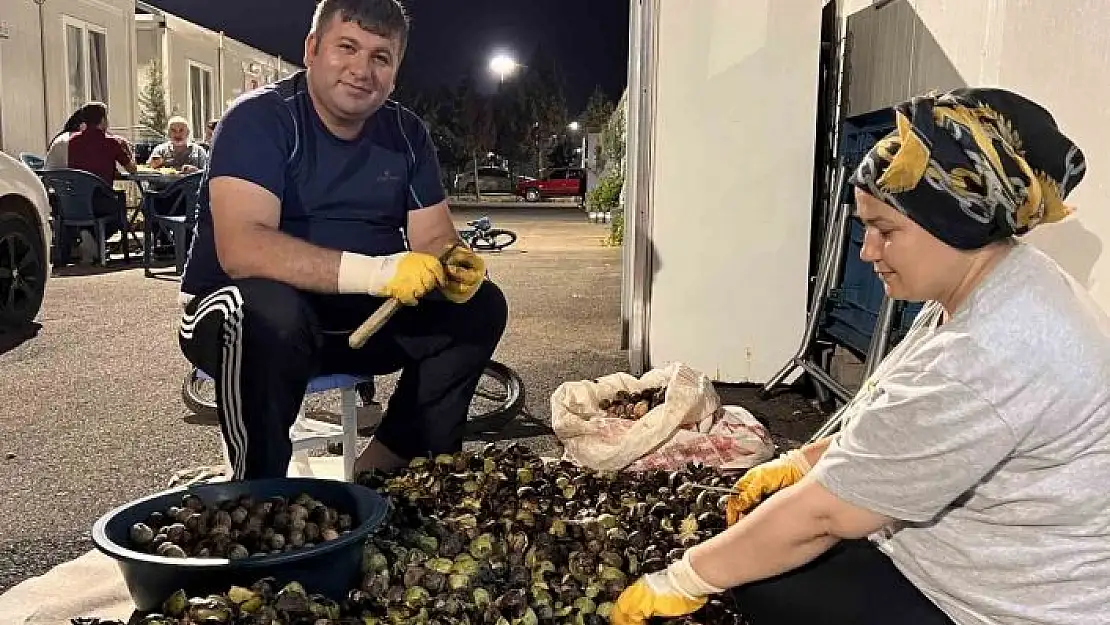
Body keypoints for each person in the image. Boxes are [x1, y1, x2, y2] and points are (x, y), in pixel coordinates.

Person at [612, 88, 1110, 625]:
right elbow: (901, 429)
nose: (868, 251)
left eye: (885, 231)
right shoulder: (1001, 281)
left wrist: (682, 579)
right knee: (762, 542)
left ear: (956, 223)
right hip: (978, 557)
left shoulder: (993, 352)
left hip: (1003, 605)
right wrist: (800, 462)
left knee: (766, 579)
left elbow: (826, 515)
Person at [177, 0, 507, 480]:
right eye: (347, 47)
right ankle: (260, 491)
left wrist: (451, 261)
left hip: (355, 317)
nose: (362, 69)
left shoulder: (406, 133)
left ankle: (383, 472)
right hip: (239, 319)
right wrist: (382, 272)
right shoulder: (259, 120)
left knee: (480, 307)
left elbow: (433, 235)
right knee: (270, 311)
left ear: (394, 73)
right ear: (311, 50)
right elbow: (243, 249)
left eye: (381, 56)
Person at [64, 101, 138, 263]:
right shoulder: (111, 142)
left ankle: (88, 235)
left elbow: (86, 167)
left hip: (75, 201)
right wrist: (128, 152)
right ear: (103, 120)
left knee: (103, 200)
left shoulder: (73, 141)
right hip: (100, 202)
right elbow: (132, 169)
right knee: (119, 209)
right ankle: (96, 240)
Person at [44, 106, 90, 170]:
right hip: (67, 177)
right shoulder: (77, 141)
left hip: (50, 177)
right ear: (82, 125)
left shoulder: (60, 137)